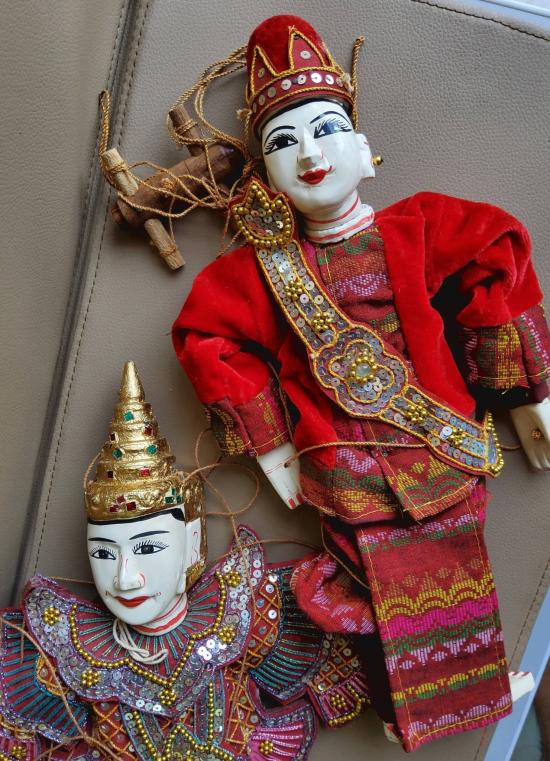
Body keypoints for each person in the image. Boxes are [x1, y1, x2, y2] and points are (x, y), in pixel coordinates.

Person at [172, 15, 549, 751]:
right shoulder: (263, 271)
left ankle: (469, 693)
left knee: (456, 566)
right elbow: (205, 334)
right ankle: (397, 705)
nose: (310, 154)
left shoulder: (417, 227)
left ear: (362, 146)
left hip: (437, 448)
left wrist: (521, 390)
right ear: (266, 175)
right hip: (343, 465)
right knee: (373, 593)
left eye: (326, 130)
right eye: (283, 143)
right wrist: (270, 442)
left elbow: (497, 252)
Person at [0, 362, 368, 760]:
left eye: (147, 548)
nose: (125, 579)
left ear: (192, 544)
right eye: (104, 553)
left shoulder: (249, 609)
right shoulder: (65, 648)